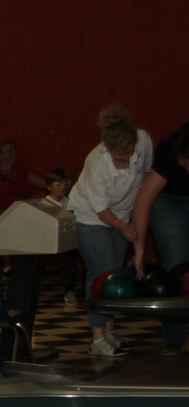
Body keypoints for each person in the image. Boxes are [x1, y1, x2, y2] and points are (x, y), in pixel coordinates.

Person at [68, 105, 152, 358]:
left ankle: (110, 331)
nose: (125, 158)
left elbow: (146, 180)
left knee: (116, 274)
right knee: (101, 273)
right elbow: (100, 209)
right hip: (91, 216)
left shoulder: (144, 141)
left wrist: (133, 232)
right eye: (119, 155)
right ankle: (97, 339)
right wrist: (122, 226)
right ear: (107, 148)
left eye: (129, 151)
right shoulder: (97, 162)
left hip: (122, 213)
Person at [130, 121, 189, 357]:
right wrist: (139, 251)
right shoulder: (169, 150)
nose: (186, 170)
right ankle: (173, 338)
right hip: (167, 202)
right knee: (177, 266)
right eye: (184, 165)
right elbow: (143, 203)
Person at [41, 168, 80, 307]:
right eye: (58, 185)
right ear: (49, 187)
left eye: (66, 184)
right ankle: (68, 289)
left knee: (73, 253)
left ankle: (72, 289)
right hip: (48, 238)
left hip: (65, 239)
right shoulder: (45, 203)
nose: (62, 188)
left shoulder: (68, 201)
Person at [0, 140, 45, 219]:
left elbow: (44, 183)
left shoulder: (22, 173)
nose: (14, 153)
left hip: (19, 212)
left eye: (14, 150)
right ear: (0, 155)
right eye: (10, 151)